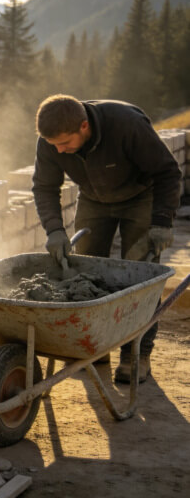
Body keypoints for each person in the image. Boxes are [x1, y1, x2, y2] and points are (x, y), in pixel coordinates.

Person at [32, 94, 181, 383]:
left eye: (64, 143)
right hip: (94, 199)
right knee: (83, 270)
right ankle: (95, 344)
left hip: (141, 196)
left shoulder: (127, 124)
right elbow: (44, 187)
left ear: (84, 126)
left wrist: (162, 222)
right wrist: (55, 231)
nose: (60, 151)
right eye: (54, 146)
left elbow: (168, 172)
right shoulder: (51, 141)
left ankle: (136, 354)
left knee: (139, 275)